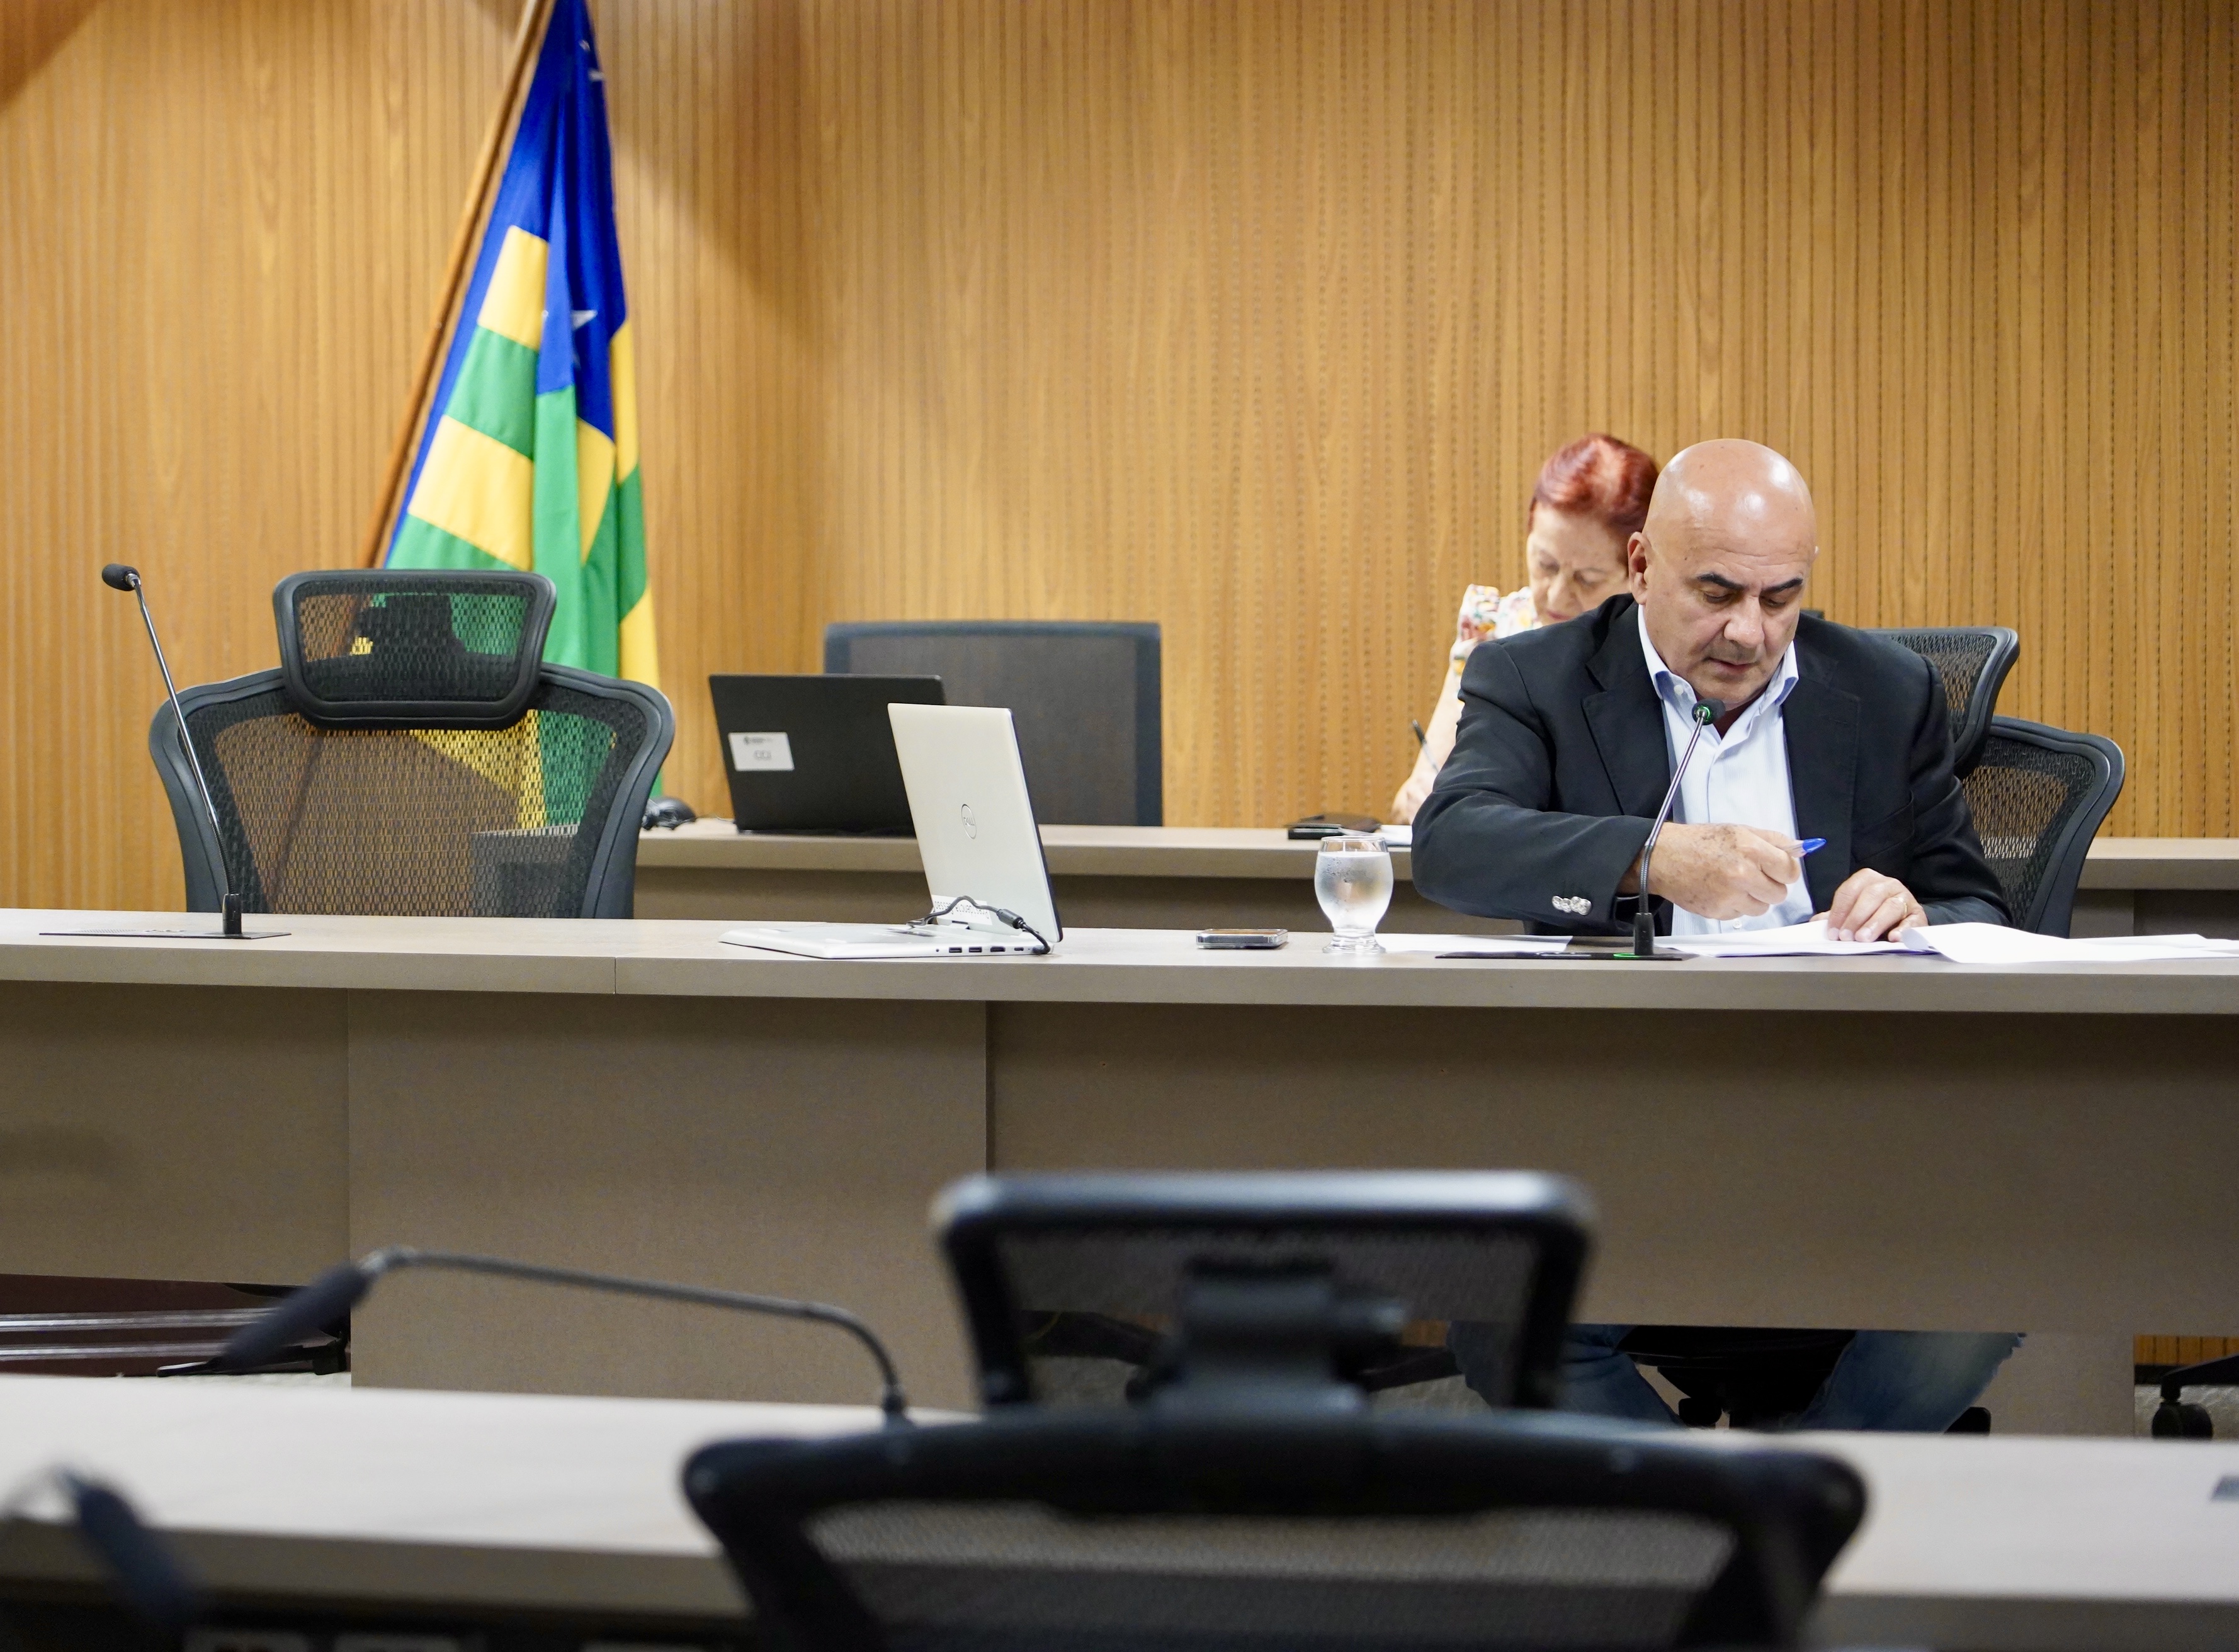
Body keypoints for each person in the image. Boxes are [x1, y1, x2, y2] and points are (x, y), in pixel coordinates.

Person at [1416, 438, 2016, 1428]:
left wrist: (1911, 914)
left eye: (1782, 598)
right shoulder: (1533, 676)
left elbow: (1978, 906)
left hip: (1849, 1117)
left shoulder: (1887, 690)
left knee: (1985, 1296)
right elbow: (1453, 845)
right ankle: (1709, 1507)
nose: (1749, 631)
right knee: (1503, 1322)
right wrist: (1648, 857)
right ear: (1642, 565)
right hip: (1626, 1116)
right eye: (1717, 592)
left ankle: (1795, 1490)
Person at [1389, 434, 1658, 825]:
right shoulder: (1493, 631)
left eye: (1587, 579)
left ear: (1639, 569)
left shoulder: (1662, 652)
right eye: (1546, 565)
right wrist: (1420, 801)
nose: (1557, 595)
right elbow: (1415, 799)